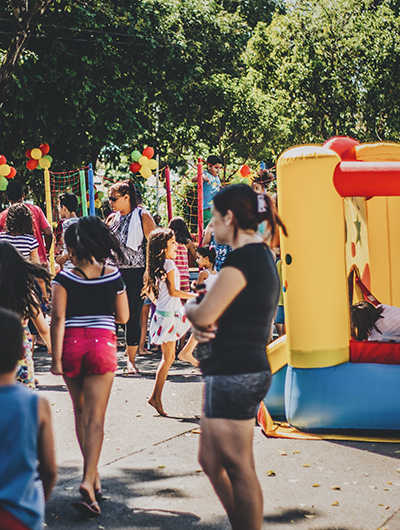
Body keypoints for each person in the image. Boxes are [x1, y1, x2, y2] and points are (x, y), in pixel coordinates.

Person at [185, 184, 287, 530]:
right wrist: (203, 317)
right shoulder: (258, 257)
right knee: (212, 459)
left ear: (230, 217)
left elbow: (203, 313)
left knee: (238, 464)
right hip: (230, 369)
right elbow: (217, 314)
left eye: (214, 218)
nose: (212, 227)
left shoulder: (246, 258)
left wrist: (191, 308)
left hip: (236, 371)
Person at [50, 216, 129, 517]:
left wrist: (56, 359)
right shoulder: (113, 275)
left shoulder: (64, 279)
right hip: (102, 347)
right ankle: (88, 479)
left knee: (81, 413)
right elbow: (123, 317)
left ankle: (92, 477)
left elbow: (57, 319)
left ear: (72, 248)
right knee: (96, 419)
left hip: (71, 347)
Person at [0, 308, 57, 530]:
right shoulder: (37, 404)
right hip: (22, 515)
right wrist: (36, 503)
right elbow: (50, 470)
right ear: (23, 353)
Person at [142, 228, 197, 416]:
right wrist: (195, 295)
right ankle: (188, 352)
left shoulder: (155, 266)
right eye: (172, 243)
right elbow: (174, 292)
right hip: (171, 315)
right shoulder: (170, 265)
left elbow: (150, 292)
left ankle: (155, 397)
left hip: (164, 315)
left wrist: (162, 303)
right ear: (162, 247)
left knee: (168, 359)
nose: (176, 245)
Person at [107, 180, 156, 374]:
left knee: (132, 315)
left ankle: (131, 361)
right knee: (110, 315)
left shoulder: (143, 215)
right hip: (113, 272)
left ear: (127, 197)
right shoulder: (112, 218)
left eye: (114, 198)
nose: (110, 202)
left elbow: (153, 245)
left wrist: (149, 272)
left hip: (136, 272)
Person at [0, 241, 51, 388]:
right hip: (19, 356)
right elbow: (43, 328)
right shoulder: (24, 292)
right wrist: (52, 348)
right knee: (22, 404)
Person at [0, 180, 53, 265]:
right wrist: (46, 250)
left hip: (12, 266)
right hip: (40, 261)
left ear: (8, 198)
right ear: (23, 195)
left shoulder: (2, 215)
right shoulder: (36, 210)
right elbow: (48, 233)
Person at [168, 216, 197, 294]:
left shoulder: (170, 242)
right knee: (184, 301)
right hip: (184, 276)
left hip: (172, 276)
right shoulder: (187, 242)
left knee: (173, 300)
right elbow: (195, 257)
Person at [192, 155, 223, 227]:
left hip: (215, 207)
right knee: (208, 227)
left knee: (215, 227)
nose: (218, 170)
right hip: (206, 207)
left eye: (220, 168)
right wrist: (201, 177)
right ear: (209, 166)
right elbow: (193, 179)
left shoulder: (217, 178)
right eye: (216, 168)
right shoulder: (205, 174)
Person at [55, 192, 79, 271]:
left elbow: (76, 246)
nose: (58, 210)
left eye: (59, 207)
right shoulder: (81, 222)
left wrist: (64, 257)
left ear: (64, 208)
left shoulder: (67, 223)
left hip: (71, 266)